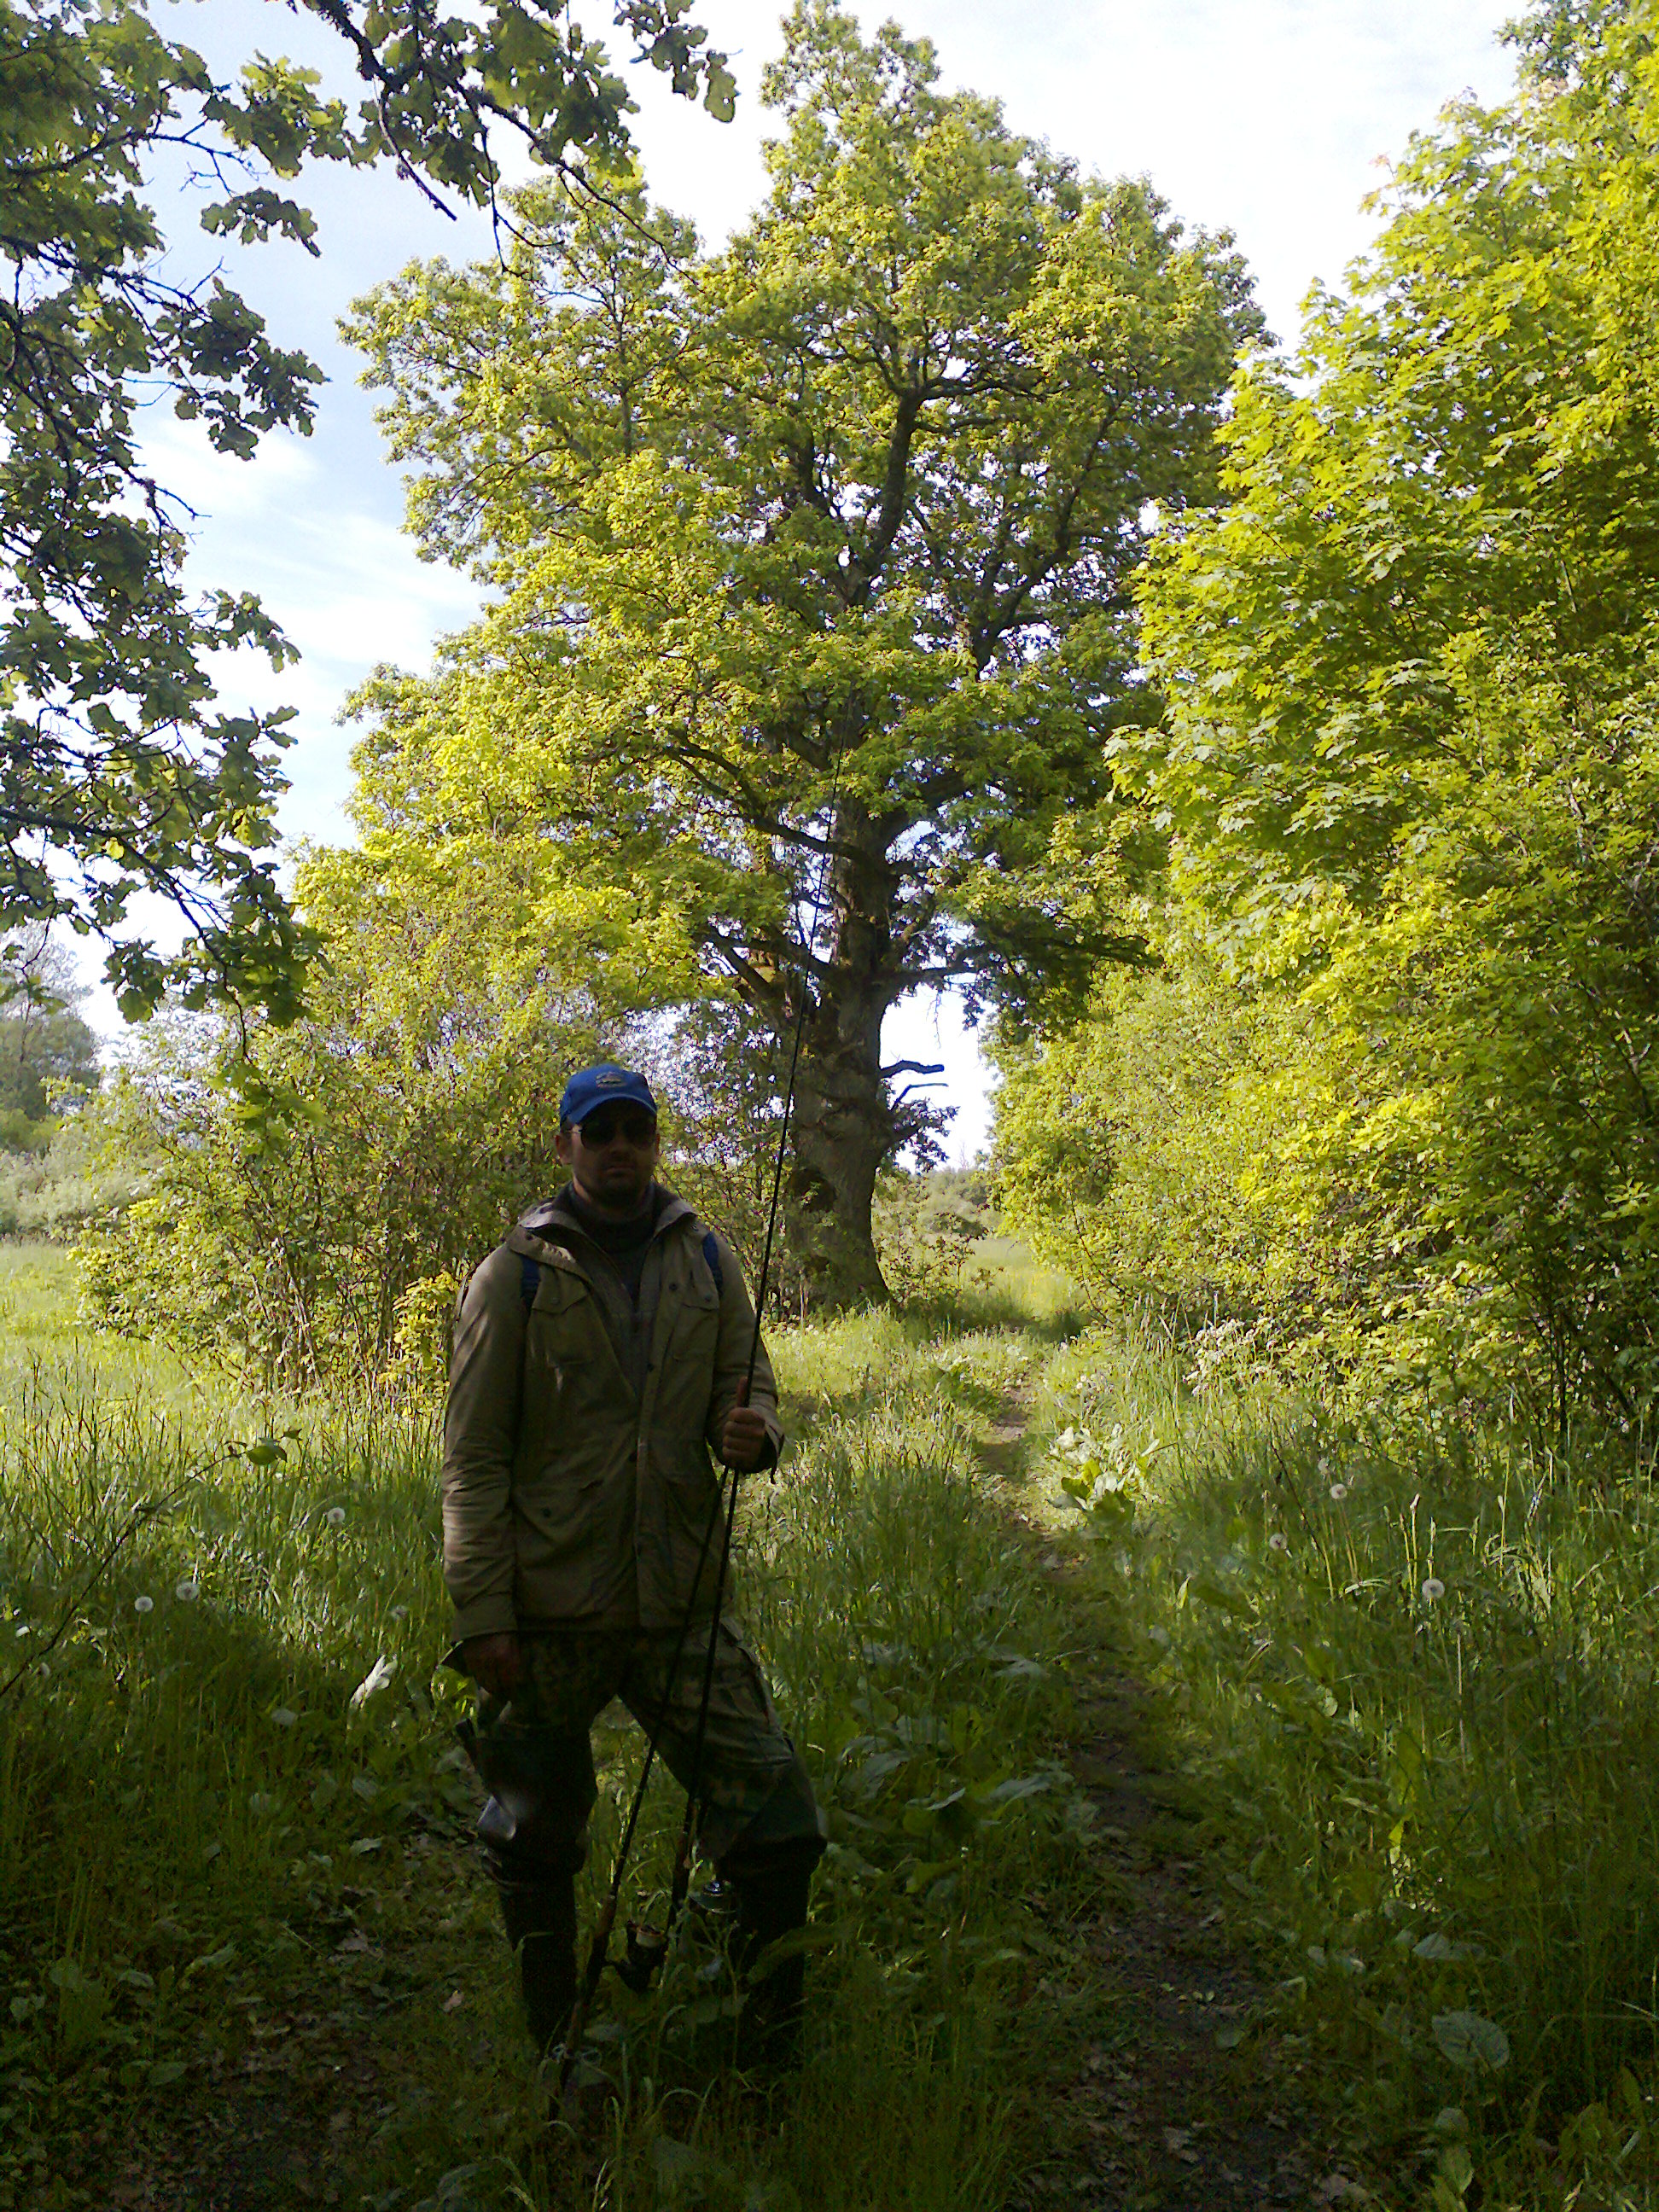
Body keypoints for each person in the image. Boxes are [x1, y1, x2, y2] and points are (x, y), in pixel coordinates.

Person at [441, 1062, 825, 2064]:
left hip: (680, 1600)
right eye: (599, 1131)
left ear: (654, 1141)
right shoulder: (512, 1276)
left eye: (635, 1131)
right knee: (532, 1834)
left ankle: (762, 2054)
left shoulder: (708, 1258)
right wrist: (483, 1615)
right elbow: (473, 1459)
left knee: (777, 1820)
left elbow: (749, 1383)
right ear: (565, 1144)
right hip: (549, 1609)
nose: (619, 1147)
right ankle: (552, 2043)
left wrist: (757, 1432)